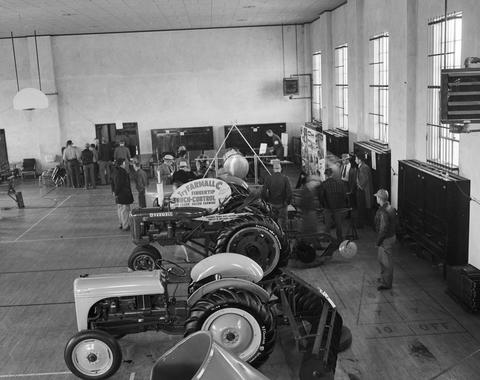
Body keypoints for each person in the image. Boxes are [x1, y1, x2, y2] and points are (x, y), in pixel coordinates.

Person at [374, 189, 397, 290]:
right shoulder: (391, 208)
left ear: (380, 198)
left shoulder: (383, 211)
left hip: (385, 239)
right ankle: (384, 278)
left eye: (377, 197)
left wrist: (378, 242)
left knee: (386, 262)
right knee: (382, 259)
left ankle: (387, 283)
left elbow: (383, 229)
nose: (376, 198)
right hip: (391, 236)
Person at [318, 168, 347, 242]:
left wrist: (323, 205)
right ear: (332, 174)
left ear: (326, 175)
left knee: (327, 224)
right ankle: (339, 238)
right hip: (338, 207)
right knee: (338, 223)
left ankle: (326, 238)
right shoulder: (340, 183)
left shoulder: (324, 184)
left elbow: (321, 196)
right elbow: (344, 195)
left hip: (327, 207)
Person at [261, 160, 292, 230]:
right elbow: (289, 193)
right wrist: (287, 202)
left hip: (272, 204)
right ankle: (283, 237)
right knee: (283, 225)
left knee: (272, 224)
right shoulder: (285, 178)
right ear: (280, 169)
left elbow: (263, 192)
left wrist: (266, 201)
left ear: (274, 169)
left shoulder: (269, 178)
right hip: (282, 205)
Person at [111, 158, 134, 231]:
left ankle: (121, 223)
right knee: (125, 210)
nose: (125, 164)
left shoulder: (114, 171)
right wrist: (117, 191)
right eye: (124, 163)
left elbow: (112, 182)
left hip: (118, 194)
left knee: (120, 209)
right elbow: (119, 184)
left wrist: (114, 192)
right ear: (121, 164)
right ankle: (125, 226)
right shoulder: (122, 172)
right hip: (123, 194)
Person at [355, 154, 373, 228]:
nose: (355, 160)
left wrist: (359, 185)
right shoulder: (362, 167)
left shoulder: (364, 168)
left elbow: (364, 180)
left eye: (356, 158)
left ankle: (361, 224)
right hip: (362, 190)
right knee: (361, 207)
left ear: (360, 160)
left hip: (363, 191)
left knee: (361, 207)